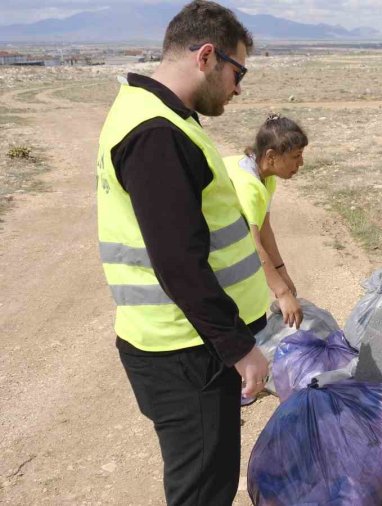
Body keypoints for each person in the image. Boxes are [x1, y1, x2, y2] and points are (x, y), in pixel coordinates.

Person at [95, 2, 269, 504]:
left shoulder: (151, 113)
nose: (239, 88)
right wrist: (240, 348)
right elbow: (178, 263)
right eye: (239, 72)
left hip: (182, 347)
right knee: (202, 492)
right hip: (185, 354)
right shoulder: (157, 134)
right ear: (208, 56)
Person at [224, 114, 308, 329]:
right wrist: (281, 293)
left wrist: (283, 274)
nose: (301, 163)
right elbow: (254, 245)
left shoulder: (265, 177)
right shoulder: (248, 187)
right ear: (271, 156)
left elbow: (265, 229)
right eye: (296, 156)